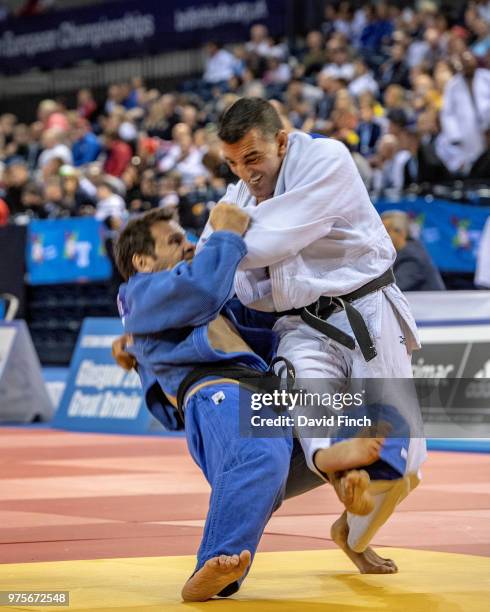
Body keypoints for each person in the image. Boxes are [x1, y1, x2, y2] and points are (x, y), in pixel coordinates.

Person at [113, 206, 398, 601]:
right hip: (220, 388)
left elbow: (270, 312)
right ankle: (218, 562)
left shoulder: (210, 297)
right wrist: (229, 234)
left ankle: (343, 493)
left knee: (353, 434)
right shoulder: (140, 291)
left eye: (186, 236)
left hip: (268, 388)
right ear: (142, 261)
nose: (190, 243)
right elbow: (198, 289)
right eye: (174, 240)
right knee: (259, 454)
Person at [199, 97, 426, 543]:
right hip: (299, 326)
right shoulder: (240, 194)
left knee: (403, 464)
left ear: (281, 142)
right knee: (313, 412)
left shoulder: (327, 159)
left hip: (365, 312)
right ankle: (336, 467)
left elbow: (265, 242)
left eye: (253, 158)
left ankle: (352, 533)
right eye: (232, 164)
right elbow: (213, 260)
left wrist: (229, 234)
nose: (246, 173)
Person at [381, 210, 445, 291]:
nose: (381, 236)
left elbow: (392, 289)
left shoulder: (412, 257)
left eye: (386, 231)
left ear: (401, 232)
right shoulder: (409, 250)